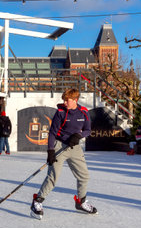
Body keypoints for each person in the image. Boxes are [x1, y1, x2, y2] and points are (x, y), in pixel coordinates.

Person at [30, 88, 98, 220]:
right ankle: (37, 202)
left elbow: (88, 130)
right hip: (59, 145)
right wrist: (50, 151)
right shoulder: (60, 113)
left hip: (75, 147)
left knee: (84, 176)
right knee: (53, 177)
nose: (65, 102)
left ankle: (81, 202)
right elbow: (52, 133)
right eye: (64, 100)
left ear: (75, 100)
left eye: (68, 100)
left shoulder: (83, 112)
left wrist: (79, 135)